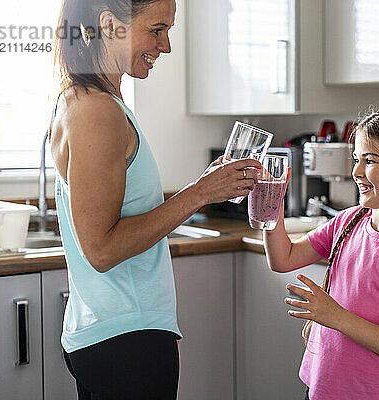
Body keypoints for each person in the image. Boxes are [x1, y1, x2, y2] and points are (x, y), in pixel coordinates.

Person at [49, 0, 261, 398]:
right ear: (110, 25)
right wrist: (200, 193)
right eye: (157, 29)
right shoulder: (97, 111)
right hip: (123, 338)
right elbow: (102, 249)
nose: (165, 46)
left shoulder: (89, 102)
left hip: (121, 331)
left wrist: (156, 322)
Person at [263, 108, 379, 400]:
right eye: (356, 159)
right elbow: (282, 258)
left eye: (370, 160)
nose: (356, 171)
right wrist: (269, 206)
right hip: (320, 388)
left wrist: (335, 316)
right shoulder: (347, 221)